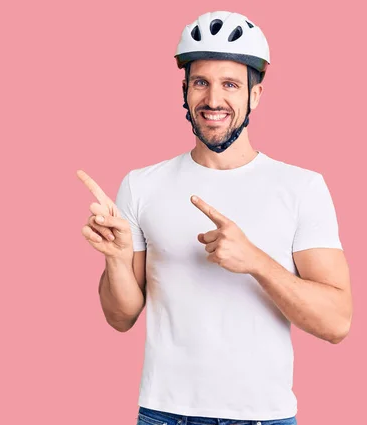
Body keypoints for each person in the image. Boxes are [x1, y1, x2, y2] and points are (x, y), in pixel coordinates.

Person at [77, 10, 352, 425]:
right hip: (165, 413)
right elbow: (120, 318)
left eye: (230, 85)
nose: (213, 99)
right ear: (185, 90)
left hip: (264, 417)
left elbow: (336, 322)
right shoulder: (141, 185)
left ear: (254, 95)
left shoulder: (302, 188)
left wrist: (255, 261)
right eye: (201, 82)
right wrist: (116, 260)